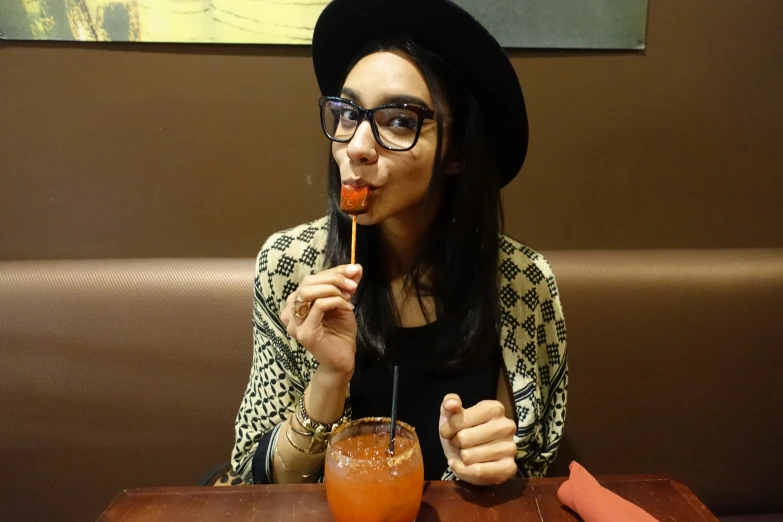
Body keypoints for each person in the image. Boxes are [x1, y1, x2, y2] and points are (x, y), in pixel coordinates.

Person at [230, 0, 568, 486]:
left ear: (454, 153)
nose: (357, 146)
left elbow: (537, 470)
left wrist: (495, 460)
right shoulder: (289, 267)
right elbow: (253, 480)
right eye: (347, 113)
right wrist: (327, 381)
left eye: (399, 121)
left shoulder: (522, 284)